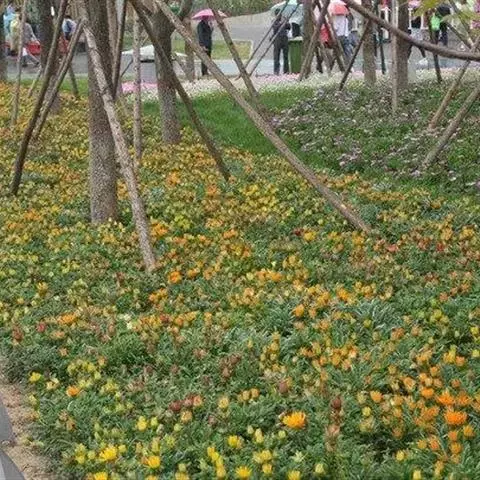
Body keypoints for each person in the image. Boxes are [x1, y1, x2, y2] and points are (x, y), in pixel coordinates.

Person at [271, 9, 290, 76]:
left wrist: (287, 21)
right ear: (276, 15)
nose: (280, 16)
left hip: (284, 38)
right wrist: (281, 23)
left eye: (280, 14)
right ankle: (276, 71)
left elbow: (289, 27)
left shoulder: (284, 20)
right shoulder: (274, 21)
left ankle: (286, 71)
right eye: (279, 14)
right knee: (276, 56)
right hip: (277, 39)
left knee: (286, 56)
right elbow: (275, 28)